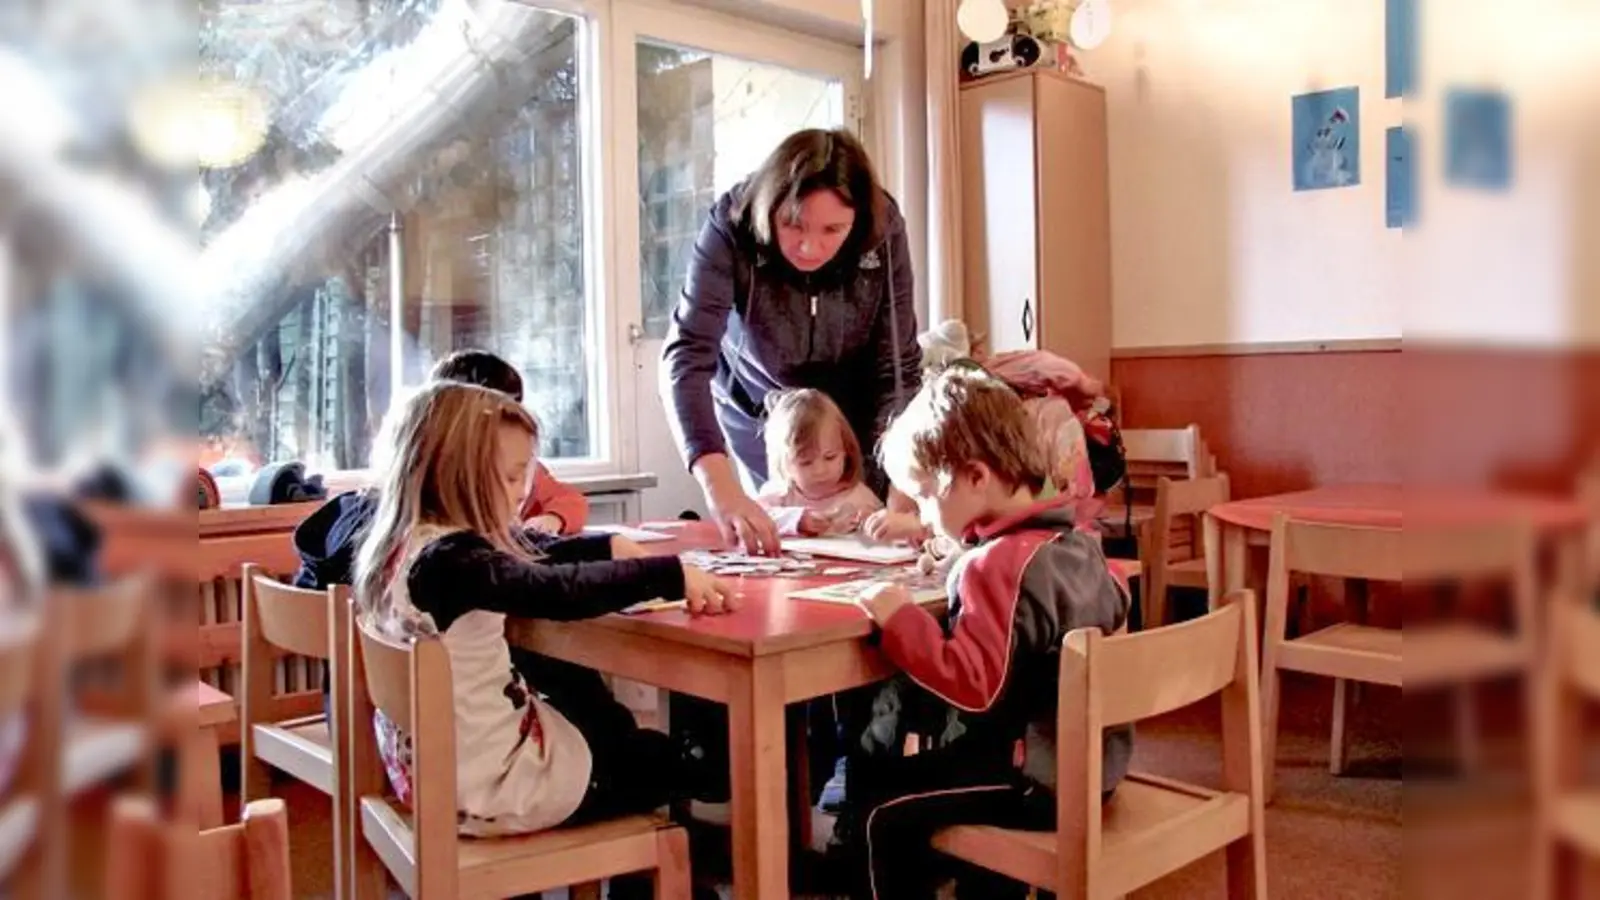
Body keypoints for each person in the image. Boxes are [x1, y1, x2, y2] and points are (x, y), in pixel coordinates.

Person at [354, 382, 735, 854]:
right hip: (500, 785)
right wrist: (667, 573)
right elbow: (555, 590)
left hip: (437, 774)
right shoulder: (453, 562)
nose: (524, 492)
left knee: (599, 720)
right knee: (671, 763)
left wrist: (604, 545)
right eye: (512, 478)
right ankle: (668, 858)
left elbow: (525, 555)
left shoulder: (405, 546)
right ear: (459, 475)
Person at [835, 367, 1132, 900]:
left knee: (878, 806)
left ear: (975, 477)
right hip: (1094, 769)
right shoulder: (1078, 544)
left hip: (1034, 779)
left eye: (926, 496)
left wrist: (900, 616)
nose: (924, 515)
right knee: (949, 765)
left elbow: (975, 686)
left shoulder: (993, 566)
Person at [661, 128, 924, 555]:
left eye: (832, 229)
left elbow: (898, 367)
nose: (808, 246)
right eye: (792, 224)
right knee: (778, 537)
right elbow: (687, 355)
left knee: (868, 540)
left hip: (857, 411)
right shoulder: (731, 224)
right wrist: (720, 487)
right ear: (769, 208)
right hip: (759, 410)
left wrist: (903, 487)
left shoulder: (884, 228)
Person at [756, 388, 919, 538]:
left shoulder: (860, 497)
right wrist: (796, 520)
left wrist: (870, 525)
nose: (820, 470)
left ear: (846, 451)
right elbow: (754, 521)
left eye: (830, 457)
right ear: (783, 463)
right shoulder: (779, 494)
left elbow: (886, 538)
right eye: (805, 463)